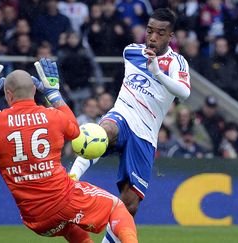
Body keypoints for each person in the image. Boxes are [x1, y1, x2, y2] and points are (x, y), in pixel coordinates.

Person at [0, 58, 138, 243]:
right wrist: (54, 93)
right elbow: (75, 131)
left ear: (8, 95)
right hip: (63, 198)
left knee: (71, 230)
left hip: (35, 219)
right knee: (118, 209)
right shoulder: (52, 116)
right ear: (34, 90)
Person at [69, 8, 191, 242]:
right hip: (122, 115)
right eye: (149, 31)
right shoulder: (131, 52)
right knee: (103, 131)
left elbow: (184, 92)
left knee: (129, 206)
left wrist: (158, 73)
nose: (153, 37)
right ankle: (71, 178)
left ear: (170, 36)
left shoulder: (177, 63)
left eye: (160, 33)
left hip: (145, 135)